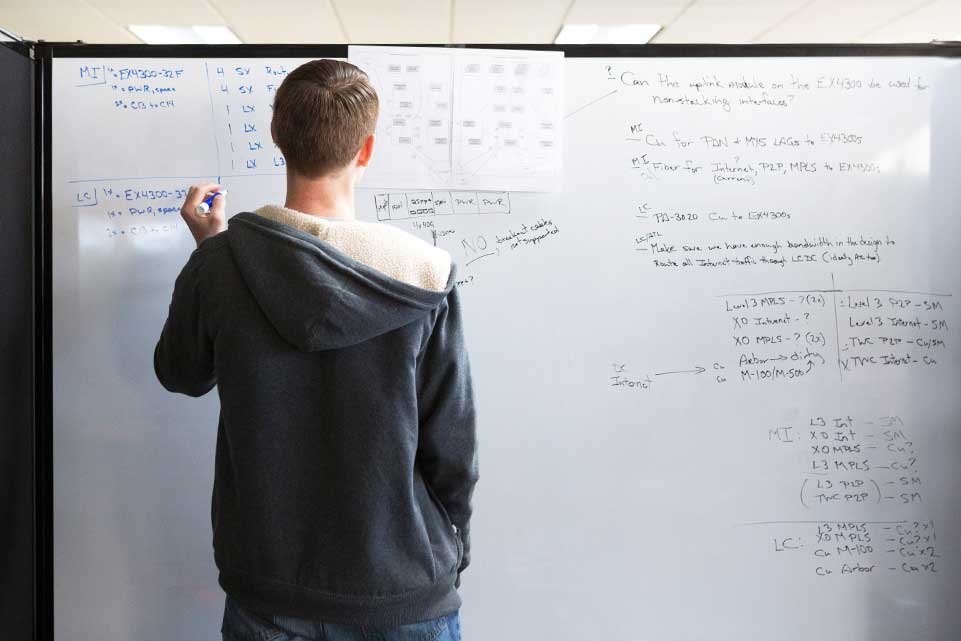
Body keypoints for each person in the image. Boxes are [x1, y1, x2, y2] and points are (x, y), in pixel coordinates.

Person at [154, 59, 479, 641]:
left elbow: (181, 373)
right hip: (402, 588)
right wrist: (455, 543)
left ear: (278, 136)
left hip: (268, 583)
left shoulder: (223, 264)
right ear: (367, 149)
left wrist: (208, 252)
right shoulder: (426, 274)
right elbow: (452, 443)